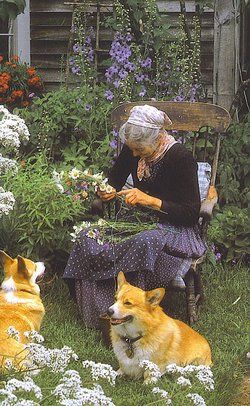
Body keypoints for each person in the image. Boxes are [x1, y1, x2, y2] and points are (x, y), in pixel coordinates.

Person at [63, 105, 206, 330]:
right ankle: (97, 311)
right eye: (133, 150)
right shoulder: (133, 148)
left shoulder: (181, 158)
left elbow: (190, 214)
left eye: (140, 150)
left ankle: (133, 312)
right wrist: (107, 191)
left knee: (145, 241)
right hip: (136, 220)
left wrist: (150, 201)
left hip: (173, 229)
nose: (135, 154)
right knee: (86, 236)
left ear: (158, 139)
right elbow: (115, 180)